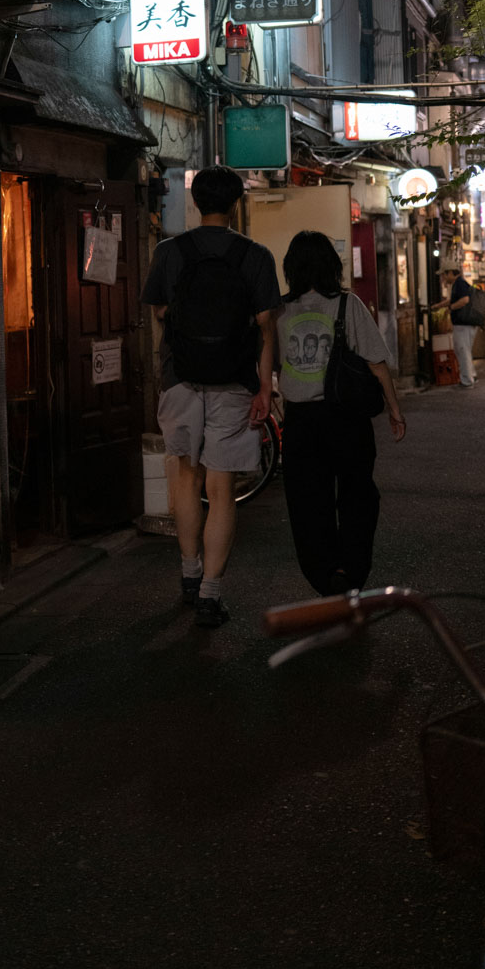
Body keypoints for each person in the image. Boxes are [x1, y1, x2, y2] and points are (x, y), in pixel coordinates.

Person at [141, 164, 280, 629]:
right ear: (236, 203)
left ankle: (188, 571)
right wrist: (264, 387)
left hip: (180, 377)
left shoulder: (169, 251)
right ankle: (210, 593)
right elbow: (266, 327)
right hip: (235, 382)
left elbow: (160, 311)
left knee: (186, 476)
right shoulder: (255, 256)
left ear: (197, 202)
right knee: (221, 490)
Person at [277, 229, 405, 596]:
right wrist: (394, 410)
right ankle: (352, 570)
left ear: (291, 268)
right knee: (358, 495)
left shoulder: (281, 310)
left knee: (307, 502)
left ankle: (324, 573)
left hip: (301, 421)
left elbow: (270, 363)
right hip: (347, 420)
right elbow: (377, 363)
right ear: (332, 266)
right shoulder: (349, 305)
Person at [446, 267, 478, 387]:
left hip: (464, 324)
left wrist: (451, 307)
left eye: (445, 275)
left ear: (450, 273)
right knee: (465, 351)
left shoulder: (460, 283)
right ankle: (471, 376)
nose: (443, 278)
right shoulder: (459, 283)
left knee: (463, 351)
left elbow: (465, 300)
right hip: (465, 324)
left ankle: (467, 381)